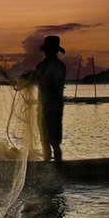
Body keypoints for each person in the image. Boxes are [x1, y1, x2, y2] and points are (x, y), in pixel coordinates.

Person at [21, 35, 66, 163]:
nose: (48, 51)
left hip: (54, 108)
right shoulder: (41, 66)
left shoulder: (58, 66)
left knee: (54, 141)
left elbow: (53, 83)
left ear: (56, 51)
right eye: (47, 49)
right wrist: (27, 78)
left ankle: (58, 165)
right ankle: (47, 163)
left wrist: (38, 78)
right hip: (42, 108)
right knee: (44, 139)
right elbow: (35, 81)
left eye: (51, 49)